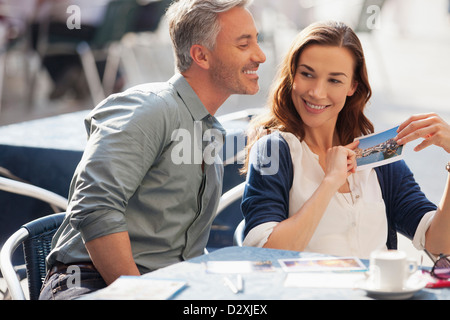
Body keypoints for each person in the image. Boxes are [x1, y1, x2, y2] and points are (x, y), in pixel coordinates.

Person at [39, 0, 265, 300]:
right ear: (201, 55)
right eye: (243, 44)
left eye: (256, 41)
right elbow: (96, 207)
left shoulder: (210, 131)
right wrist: (141, 293)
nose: (260, 55)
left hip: (166, 285)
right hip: (93, 281)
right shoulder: (149, 107)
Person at [241, 21, 450, 260]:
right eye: (307, 74)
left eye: (334, 80)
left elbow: (439, 244)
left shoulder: (376, 152)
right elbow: (262, 255)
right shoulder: (274, 150)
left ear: (353, 86)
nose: (317, 92)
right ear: (292, 76)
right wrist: (330, 182)